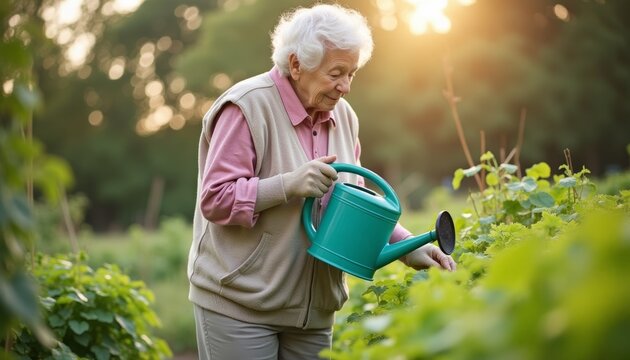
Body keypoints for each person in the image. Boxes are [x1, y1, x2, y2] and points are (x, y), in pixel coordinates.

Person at [187, 4, 456, 359]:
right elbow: (215, 198)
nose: (345, 87)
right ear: (297, 64)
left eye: (352, 74)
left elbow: (355, 200)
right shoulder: (247, 107)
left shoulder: (343, 116)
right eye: (336, 73)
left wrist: (408, 247)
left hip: (314, 313)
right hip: (241, 307)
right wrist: (288, 184)